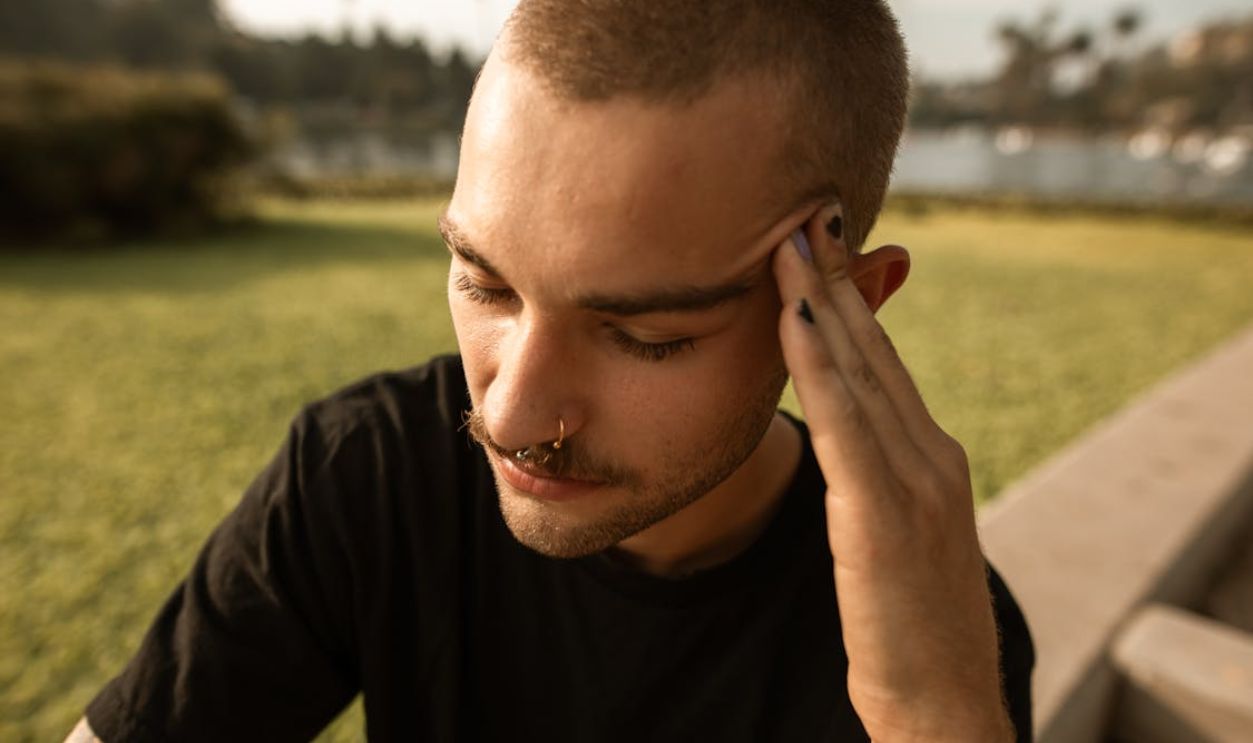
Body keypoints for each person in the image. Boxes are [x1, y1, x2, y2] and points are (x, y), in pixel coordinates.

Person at [68, 0, 1035, 741]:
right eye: (484, 285)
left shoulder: (929, 626)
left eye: (647, 335)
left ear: (845, 305)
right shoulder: (364, 474)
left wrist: (932, 711)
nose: (511, 411)